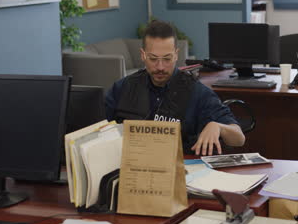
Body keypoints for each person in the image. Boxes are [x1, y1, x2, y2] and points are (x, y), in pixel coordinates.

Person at [105, 20, 245, 156]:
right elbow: (96, 132)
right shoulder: (123, 88)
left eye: (167, 59)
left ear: (176, 55)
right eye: (153, 59)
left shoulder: (196, 92)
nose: (160, 67)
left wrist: (219, 127)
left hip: (183, 170)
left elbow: (239, 138)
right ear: (143, 55)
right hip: (132, 167)